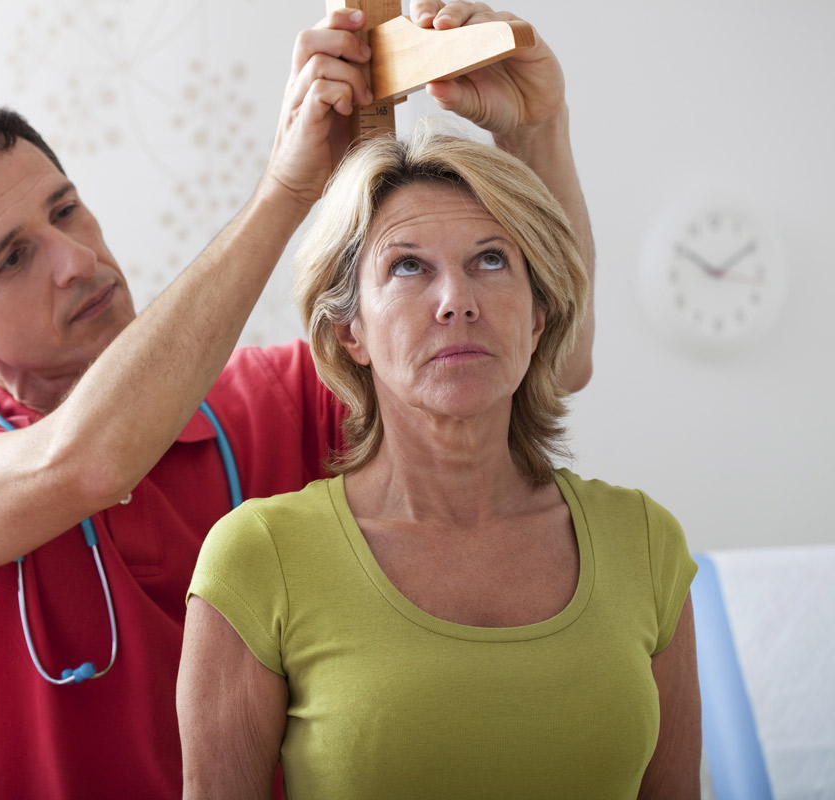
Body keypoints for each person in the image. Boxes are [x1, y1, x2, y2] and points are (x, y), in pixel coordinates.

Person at [0, 3, 596, 797]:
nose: (74, 259)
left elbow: (551, 360)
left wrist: (535, 128)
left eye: (65, 209)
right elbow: (88, 462)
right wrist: (284, 189)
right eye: (14, 258)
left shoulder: (277, 398)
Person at [177, 130, 699, 799]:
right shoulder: (259, 557)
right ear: (349, 331)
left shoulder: (646, 542)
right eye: (407, 267)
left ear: (538, 317)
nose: (457, 299)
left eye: (490, 260)